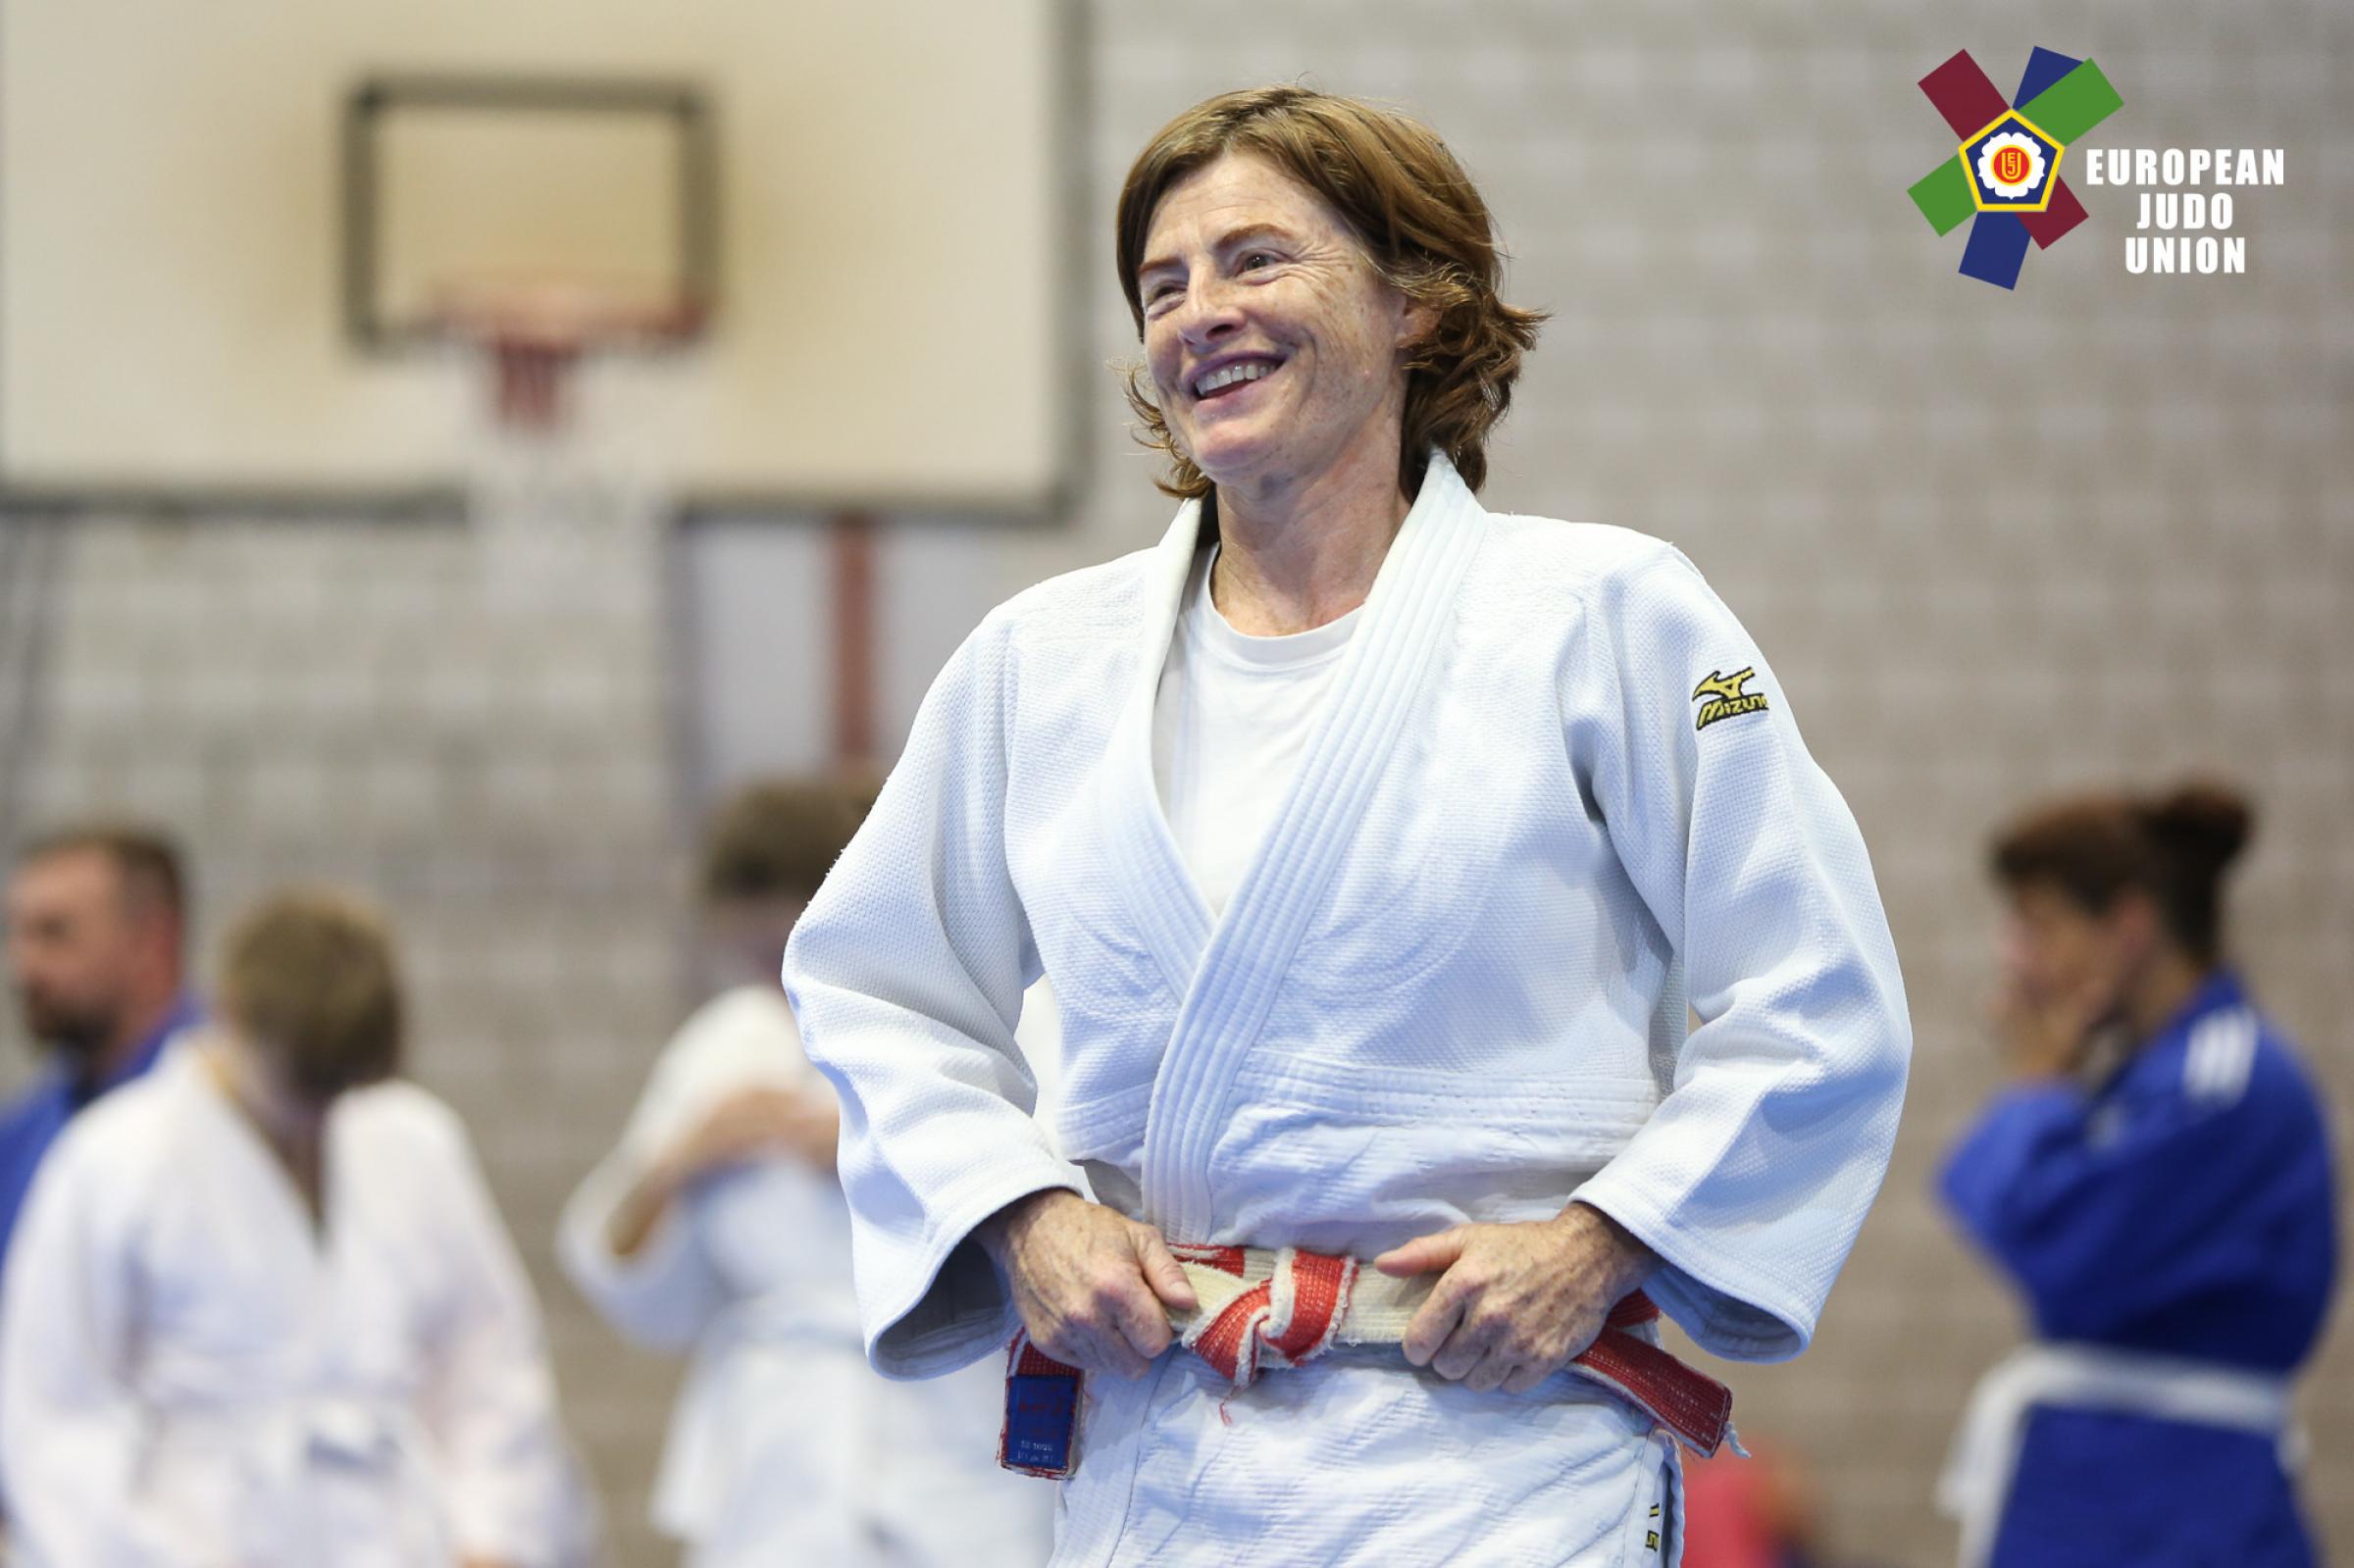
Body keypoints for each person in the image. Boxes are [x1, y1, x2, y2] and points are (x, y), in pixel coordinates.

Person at [781, 84, 1911, 1565]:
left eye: (1256, 259)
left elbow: (1817, 990)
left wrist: (1606, 1239)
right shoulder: (1039, 663)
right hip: (1164, 1454)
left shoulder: (1608, 616)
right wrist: (1023, 1213)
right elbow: (876, 986)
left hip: (1503, 1457)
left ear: (1416, 302)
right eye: (1163, 286)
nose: (1200, 314)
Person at [0, 886, 595, 1568]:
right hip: (193, 1539)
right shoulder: (114, 1157)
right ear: (229, 1012)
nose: (320, 1110)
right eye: (301, 1085)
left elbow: (488, 1363)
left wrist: (492, 1533)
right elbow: (54, 1411)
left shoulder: (412, 1138)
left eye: (340, 1088)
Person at [560, 777, 1052, 1567]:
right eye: (750, 953)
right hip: (779, 1441)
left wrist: (884, 1149)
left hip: (955, 1418)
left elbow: (1063, 1210)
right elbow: (639, 1285)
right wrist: (678, 1162)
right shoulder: (723, 1045)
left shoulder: (984, 1016)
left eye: (780, 945)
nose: (769, 976)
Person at [1937, 784, 2335, 1568]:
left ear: (2128, 927)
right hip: (2104, 1488)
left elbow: (2052, 1241)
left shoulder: (2226, 1076)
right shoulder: (2137, 1079)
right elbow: (1990, 1199)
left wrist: (2036, 1089)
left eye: (2039, 924)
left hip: (2176, 1509)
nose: (2016, 957)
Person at [0, 825, 201, 1281]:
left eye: (54, 933)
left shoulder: (244, 1118)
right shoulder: (20, 1141)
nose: (24, 968)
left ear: (152, 943)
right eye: (17, 935)